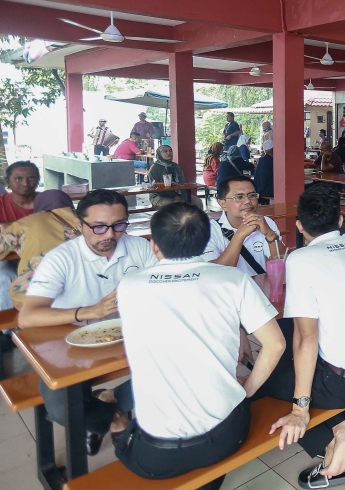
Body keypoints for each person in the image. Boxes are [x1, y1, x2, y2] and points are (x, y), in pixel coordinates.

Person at [114, 203, 285, 488]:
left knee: (127, 426)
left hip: (155, 456)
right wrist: (246, 392)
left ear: (154, 245)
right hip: (225, 438)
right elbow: (275, 345)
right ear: (207, 241)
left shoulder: (129, 285)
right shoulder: (233, 280)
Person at [258, 183, 345, 488]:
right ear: (339, 221)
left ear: (299, 226)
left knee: (272, 376)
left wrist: (300, 408)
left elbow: (306, 340)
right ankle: (337, 427)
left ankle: (338, 434)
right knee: (290, 343)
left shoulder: (301, 260)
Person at [19, 189, 155, 455]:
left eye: (119, 225)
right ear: (79, 225)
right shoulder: (62, 259)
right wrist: (86, 312)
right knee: (61, 409)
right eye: (99, 227)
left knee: (175, 366)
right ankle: (115, 418)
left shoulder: (138, 248)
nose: (110, 235)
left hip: (126, 336)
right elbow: (28, 316)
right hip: (70, 344)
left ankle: (109, 397)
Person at [4, 190, 80, 311]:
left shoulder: (29, 221)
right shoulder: (84, 220)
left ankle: (10, 328)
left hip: (32, 296)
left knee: (5, 274)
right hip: (80, 294)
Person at [204, 175, 287, 279]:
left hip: (258, 288)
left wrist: (270, 234)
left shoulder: (266, 222)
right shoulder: (208, 231)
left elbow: (281, 263)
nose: (248, 201)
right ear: (222, 203)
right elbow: (216, 274)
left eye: (252, 195)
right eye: (239, 197)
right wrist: (239, 235)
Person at [148, 145, 203, 210]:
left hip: (178, 194)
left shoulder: (175, 166)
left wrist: (180, 193)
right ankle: (175, 220)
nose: (169, 153)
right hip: (159, 196)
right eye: (165, 151)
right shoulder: (155, 168)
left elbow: (181, 182)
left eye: (170, 151)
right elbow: (155, 187)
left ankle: (197, 219)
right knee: (175, 204)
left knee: (197, 201)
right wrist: (174, 196)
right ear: (159, 154)